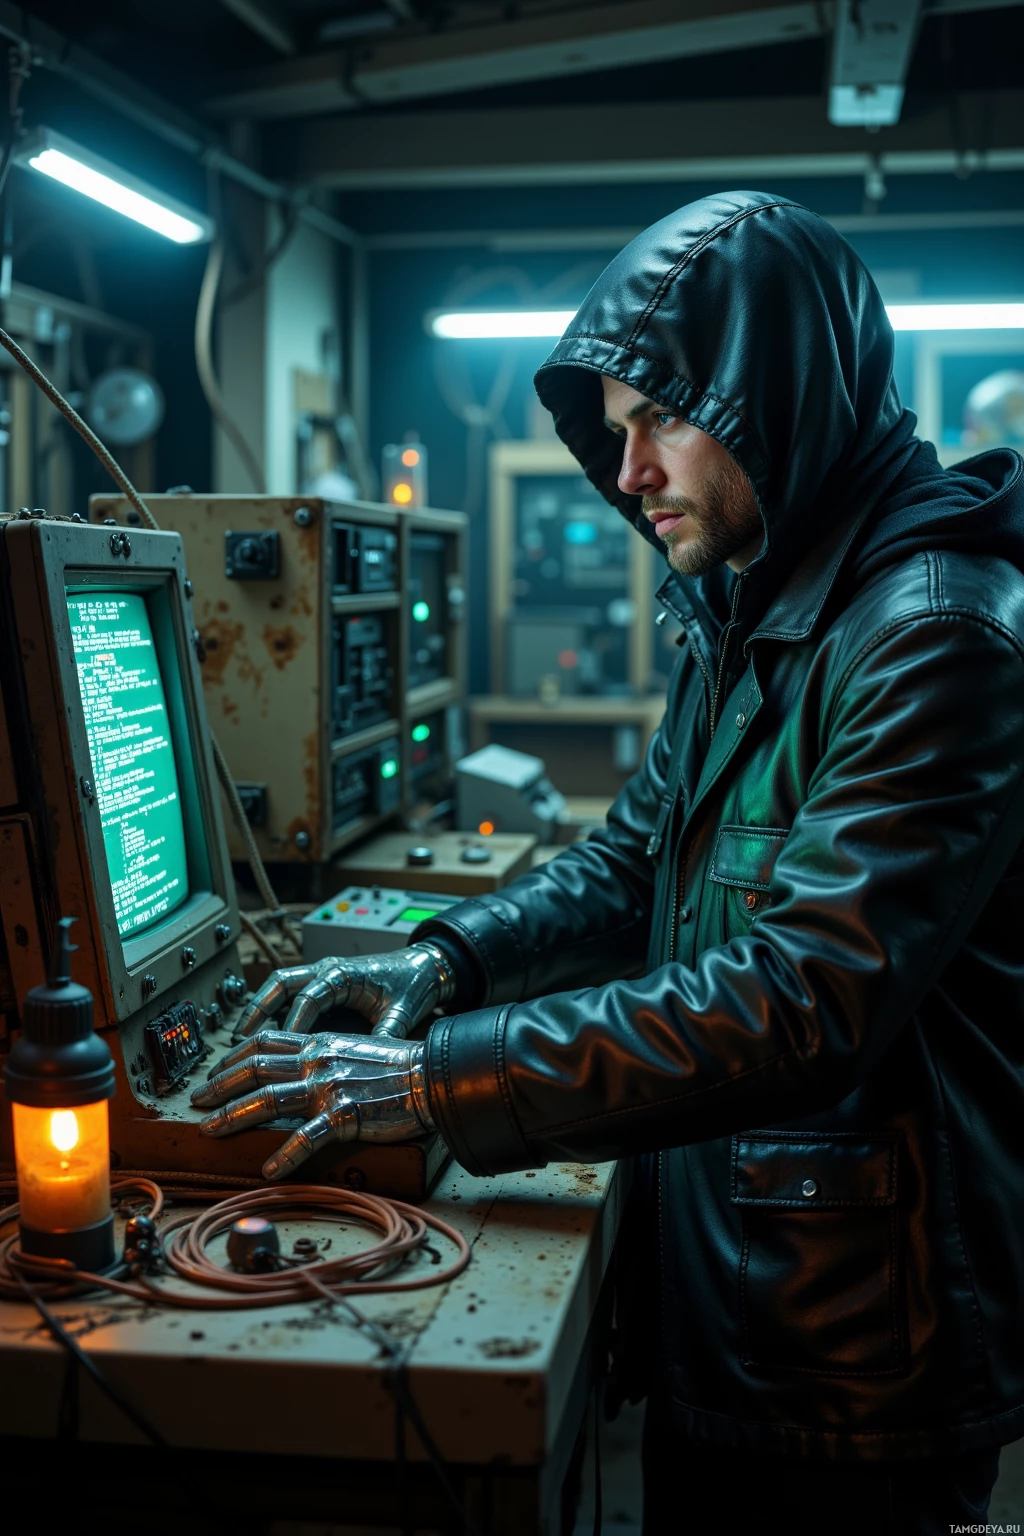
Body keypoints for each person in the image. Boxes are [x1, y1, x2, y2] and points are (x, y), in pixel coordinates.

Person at [193, 192, 1024, 1534]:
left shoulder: (936, 632)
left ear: (779, 396)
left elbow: (806, 998)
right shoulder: (754, 594)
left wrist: (436, 1080)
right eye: (619, 429)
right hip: (741, 1270)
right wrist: (443, 959)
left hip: (851, 1338)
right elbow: (637, 857)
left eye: (663, 420)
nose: (630, 473)